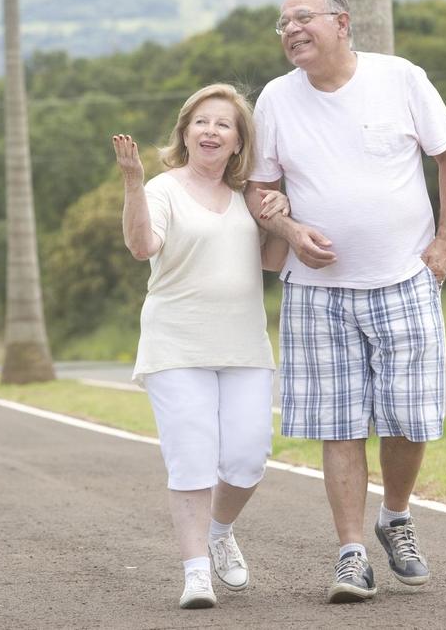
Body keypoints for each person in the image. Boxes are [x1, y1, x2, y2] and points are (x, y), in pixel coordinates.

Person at [245, 0, 446, 604]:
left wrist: (445, 243)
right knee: (338, 425)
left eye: (302, 17)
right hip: (317, 292)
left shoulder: (400, 77)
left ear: (342, 23)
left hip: (406, 278)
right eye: (282, 23)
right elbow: (259, 192)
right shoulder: (274, 99)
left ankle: (394, 516)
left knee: (410, 417)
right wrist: (288, 227)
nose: (291, 29)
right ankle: (351, 555)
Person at [114, 83, 290, 610]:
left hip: (243, 346)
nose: (211, 131)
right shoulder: (162, 190)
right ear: (185, 133)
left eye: (224, 125)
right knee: (191, 457)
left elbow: (274, 261)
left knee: (247, 457)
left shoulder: (246, 200)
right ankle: (195, 573)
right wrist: (132, 184)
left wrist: (282, 211)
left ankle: (219, 533)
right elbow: (142, 245)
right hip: (177, 344)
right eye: (202, 122)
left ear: (238, 142)